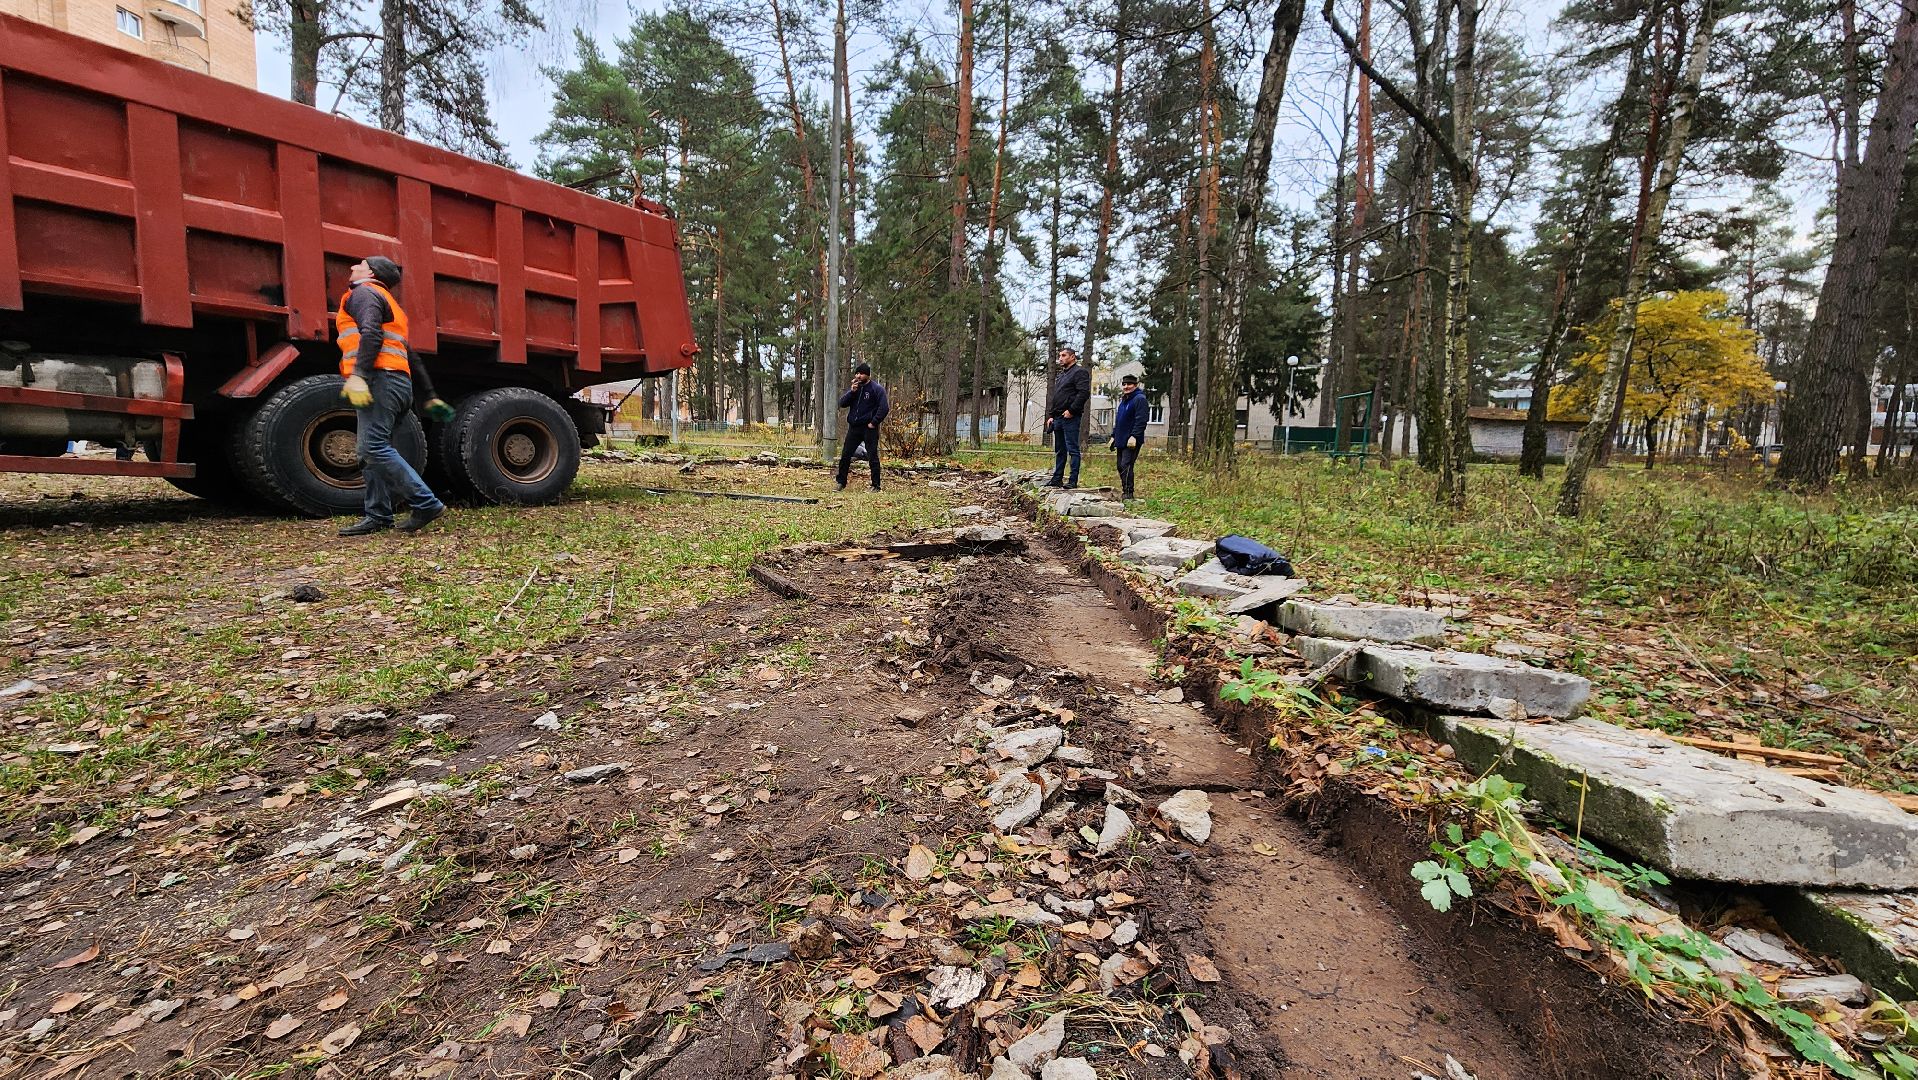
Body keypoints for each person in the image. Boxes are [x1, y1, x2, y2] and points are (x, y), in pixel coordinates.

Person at [335, 256, 446, 535]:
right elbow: (410, 354)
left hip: (379, 380)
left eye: (358, 264)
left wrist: (360, 374)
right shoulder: (391, 304)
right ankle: (378, 515)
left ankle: (425, 503)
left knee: (372, 447)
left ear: (370, 272)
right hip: (398, 383)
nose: (352, 268)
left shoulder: (362, 293)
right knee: (371, 450)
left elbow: (370, 333)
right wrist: (429, 394)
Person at [835, 362, 889, 491]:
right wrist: (852, 392)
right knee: (845, 455)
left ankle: (876, 485)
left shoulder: (876, 389)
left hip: (869, 427)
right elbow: (842, 403)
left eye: (861, 373)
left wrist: (874, 422)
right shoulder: (855, 389)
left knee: (872, 456)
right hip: (854, 427)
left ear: (868, 375)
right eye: (857, 373)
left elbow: (884, 408)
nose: (858, 376)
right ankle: (841, 482)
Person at [1044, 347, 1091, 489]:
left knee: (1073, 450)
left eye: (1064, 355)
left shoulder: (1080, 372)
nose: (1060, 358)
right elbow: (1057, 396)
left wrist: (1071, 410)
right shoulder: (1062, 375)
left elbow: (1083, 393)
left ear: (1072, 357)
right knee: (1059, 450)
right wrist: (1051, 415)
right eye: (1059, 355)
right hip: (1058, 418)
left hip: (1070, 417)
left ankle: (1072, 481)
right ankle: (1057, 478)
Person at [1110, 373, 1148, 501]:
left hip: (1131, 440)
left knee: (1126, 464)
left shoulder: (1139, 399)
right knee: (1120, 465)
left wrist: (1134, 436)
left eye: (1129, 384)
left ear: (1135, 385)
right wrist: (1113, 435)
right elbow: (1119, 420)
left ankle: (1129, 493)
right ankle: (1125, 490)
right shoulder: (1124, 400)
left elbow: (1141, 420)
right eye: (1124, 384)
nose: (1126, 386)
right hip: (1121, 438)